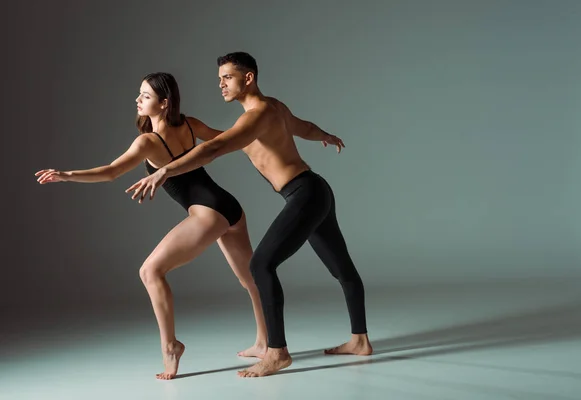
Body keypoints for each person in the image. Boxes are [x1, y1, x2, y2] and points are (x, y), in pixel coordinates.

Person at [127, 54, 373, 378]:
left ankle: (277, 353)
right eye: (219, 78)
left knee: (260, 265)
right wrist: (325, 135)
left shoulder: (255, 116)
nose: (221, 84)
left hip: (305, 193)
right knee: (341, 268)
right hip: (316, 190)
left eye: (227, 78)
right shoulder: (274, 109)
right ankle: (360, 341)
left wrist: (164, 171)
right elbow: (303, 127)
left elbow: (212, 150)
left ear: (248, 78)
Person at [35, 72, 267, 380]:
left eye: (145, 96)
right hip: (230, 208)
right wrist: (270, 139)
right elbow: (228, 139)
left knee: (150, 271)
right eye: (139, 94)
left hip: (209, 214)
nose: (137, 100)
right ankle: (266, 342)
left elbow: (110, 172)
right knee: (250, 279)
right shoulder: (190, 124)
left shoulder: (148, 142)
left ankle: (171, 346)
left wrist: (66, 174)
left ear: (163, 103)